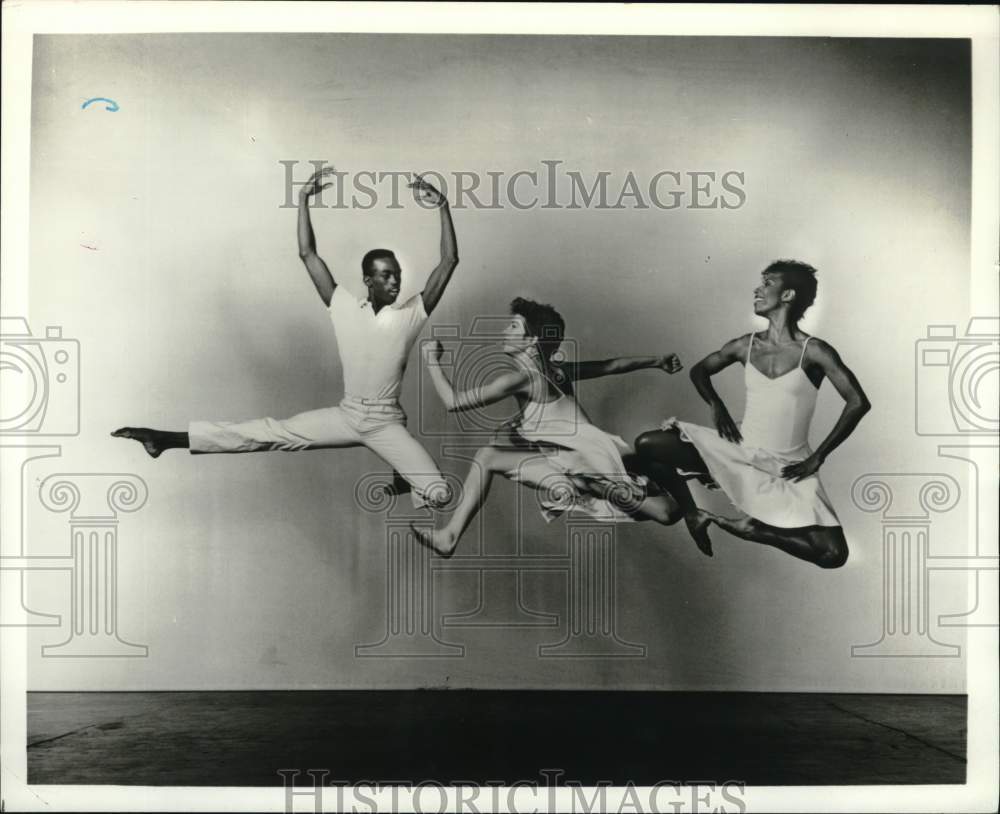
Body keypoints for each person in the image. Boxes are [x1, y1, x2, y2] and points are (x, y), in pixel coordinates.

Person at [113, 167, 459, 509]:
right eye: (385, 276)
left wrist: (442, 205)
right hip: (347, 416)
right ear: (368, 280)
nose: (395, 282)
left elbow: (449, 260)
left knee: (441, 495)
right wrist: (303, 199)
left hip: (386, 423)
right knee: (268, 432)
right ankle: (164, 439)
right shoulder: (343, 306)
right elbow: (308, 254)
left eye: (397, 275)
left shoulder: (411, 314)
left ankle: (405, 476)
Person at [633, 260, 870, 568]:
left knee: (833, 555)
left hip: (788, 465)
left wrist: (819, 457)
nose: (758, 290)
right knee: (647, 445)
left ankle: (753, 529)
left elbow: (857, 402)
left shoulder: (815, 351)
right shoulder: (745, 345)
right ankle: (693, 514)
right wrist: (716, 406)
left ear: (788, 295)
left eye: (767, 283)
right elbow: (700, 371)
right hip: (741, 449)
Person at [410, 297, 687, 558]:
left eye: (513, 326)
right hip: (573, 463)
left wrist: (431, 360)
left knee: (666, 512)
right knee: (488, 456)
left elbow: (454, 402)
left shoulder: (522, 379)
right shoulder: (558, 372)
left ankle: (599, 484)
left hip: (588, 460)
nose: (505, 331)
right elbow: (611, 366)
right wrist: (656, 361)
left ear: (531, 340)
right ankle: (449, 536)